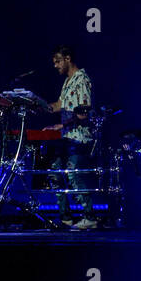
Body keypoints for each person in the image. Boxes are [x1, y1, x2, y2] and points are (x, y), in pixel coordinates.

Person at [45, 46, 97, 229]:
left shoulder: (81, 79)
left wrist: (62, 124)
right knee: (54, 172)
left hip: (80, 138)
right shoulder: (68, 81)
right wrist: (39, 105)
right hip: (67, 137)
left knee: (73, 173)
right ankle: (66, 218)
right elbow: (60, 104)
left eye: (58, 61)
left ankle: (90, 217)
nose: (55, 66)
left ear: (68, 58)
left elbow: (83, 112)